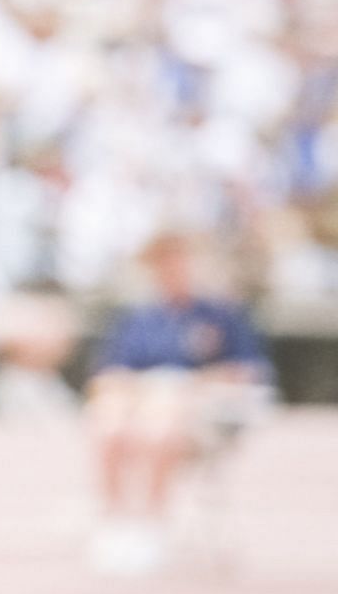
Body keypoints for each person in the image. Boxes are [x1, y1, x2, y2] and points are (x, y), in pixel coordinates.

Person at [87, 230, 270, 575]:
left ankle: (151, 523)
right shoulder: (141, 318)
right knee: (109, 420)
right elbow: (111, 372)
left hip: (197, 415)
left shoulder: (221, 315)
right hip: (140, 409)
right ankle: (115, 521)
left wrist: (189, 385)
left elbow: (247, 370)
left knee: (164, 420)